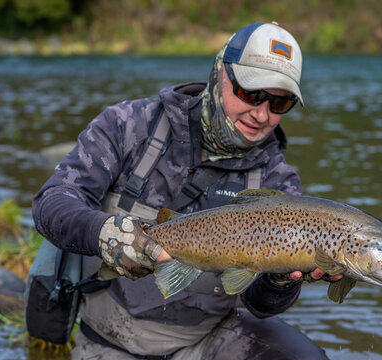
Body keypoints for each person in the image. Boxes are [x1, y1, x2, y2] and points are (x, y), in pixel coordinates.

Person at [33, 22, 341, 360]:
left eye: (279, 104)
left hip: (205, 342)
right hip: (109, 341)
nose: (262, 114)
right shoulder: (128, 125)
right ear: (221, 73)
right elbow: (52, 203)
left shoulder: (278, 180)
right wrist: (106, 233)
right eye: (252, 93)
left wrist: (282, 279)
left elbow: (261, 306)